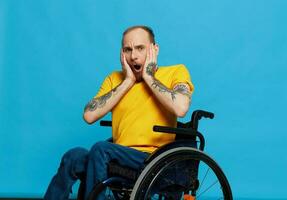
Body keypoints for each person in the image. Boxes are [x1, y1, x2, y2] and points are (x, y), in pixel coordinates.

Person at [44, 25, 194, 200]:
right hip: (116, 156)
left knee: (101, 149)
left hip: (152, 160)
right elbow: (89, 115)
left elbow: (181, 108)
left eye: (140, 48)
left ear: (155, 49)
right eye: (127, 50)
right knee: (73, 156)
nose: (133, 56)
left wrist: (149, 77)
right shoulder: (114, 79)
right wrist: (127, 82)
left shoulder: (176, 71)